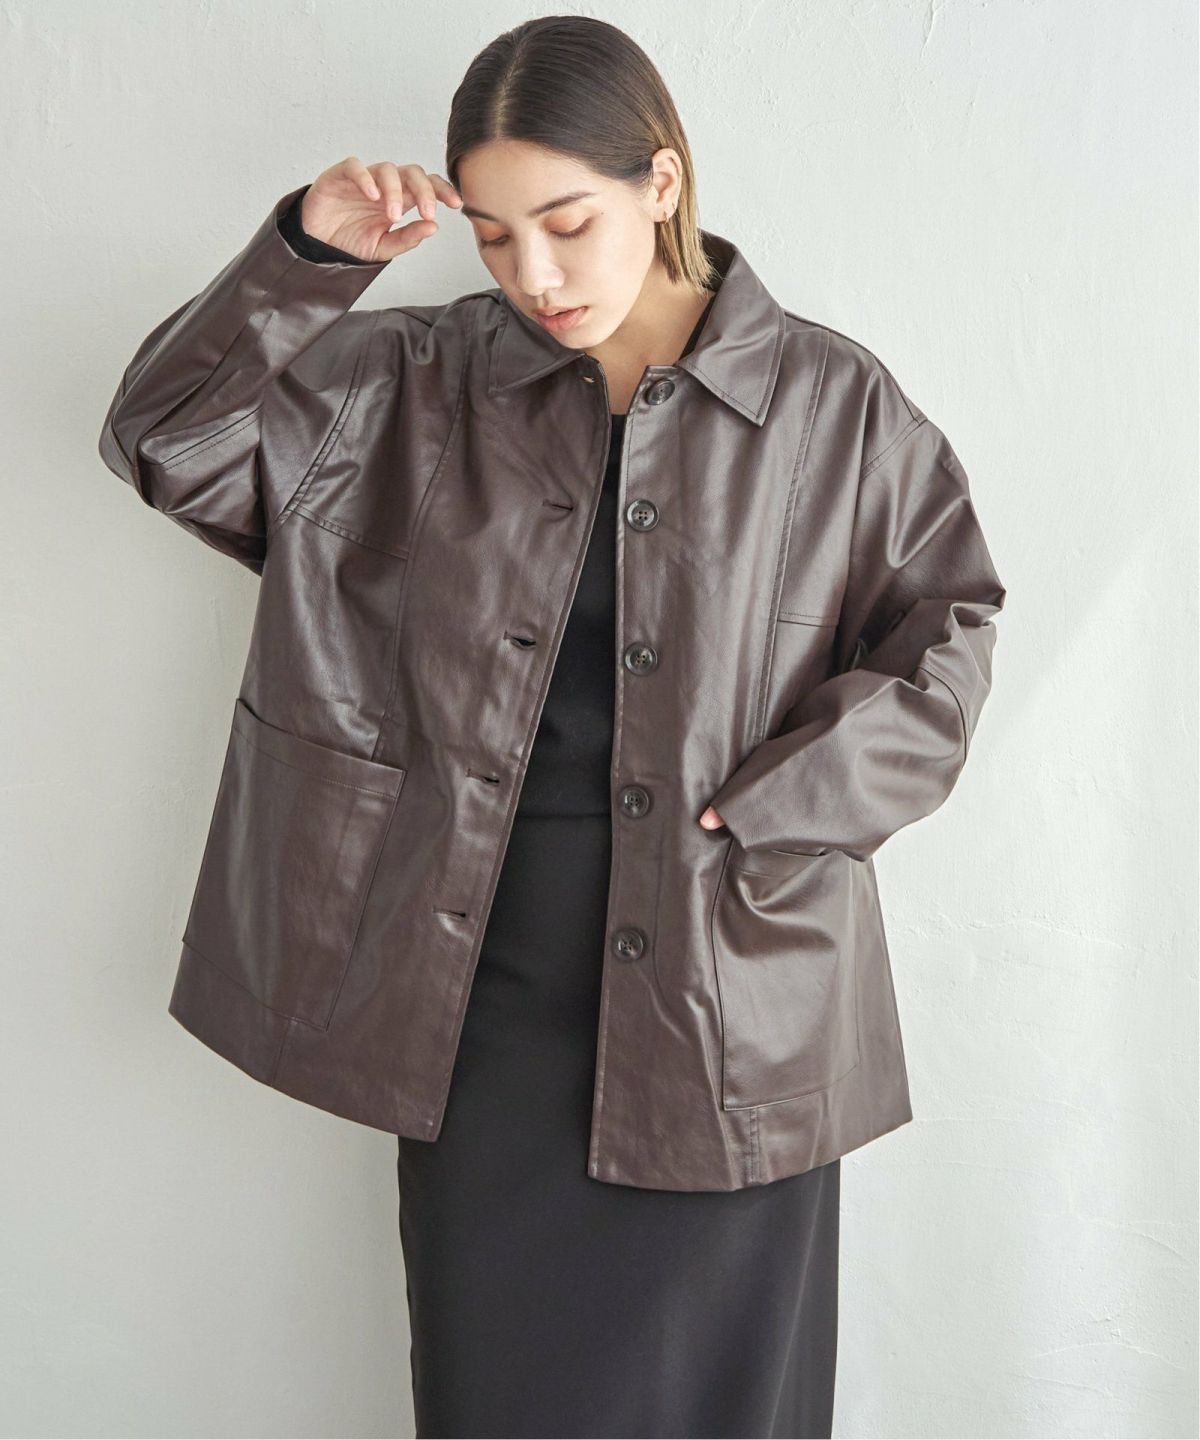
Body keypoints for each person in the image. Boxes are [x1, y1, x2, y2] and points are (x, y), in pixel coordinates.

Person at [99, 15, 1005, 1439]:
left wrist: (777, 809)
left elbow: (946, 642)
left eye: (568, 224)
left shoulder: (830, 407)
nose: (535, 275)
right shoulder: (409, 386)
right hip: (475, 994)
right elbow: (166, 439)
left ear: (661, 181)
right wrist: (309, 256)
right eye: (494, 237)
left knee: (727, 1407)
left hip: (734, 990)